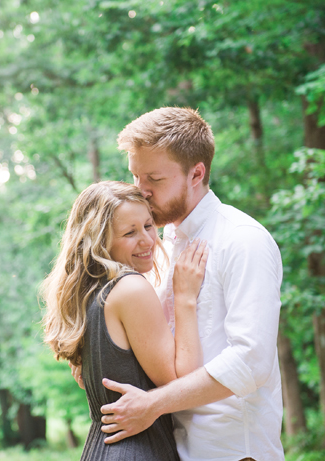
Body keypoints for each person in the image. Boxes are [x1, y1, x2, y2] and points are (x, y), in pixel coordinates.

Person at [93, 107, 285, 461]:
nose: (141, 191)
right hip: (171, 449)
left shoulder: (242, 240)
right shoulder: (161, 242)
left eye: (154, 178)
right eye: (135, 176)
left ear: (196, 173)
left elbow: (251, 361)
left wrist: (152, 404)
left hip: (230, 451)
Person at [42, 181, 209, 460]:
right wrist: (185, 298)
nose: (147, 239)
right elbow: (184, 383)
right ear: (99, 241)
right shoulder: (131, 288)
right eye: (130, 232)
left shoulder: (88, 294)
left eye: (148, 225)